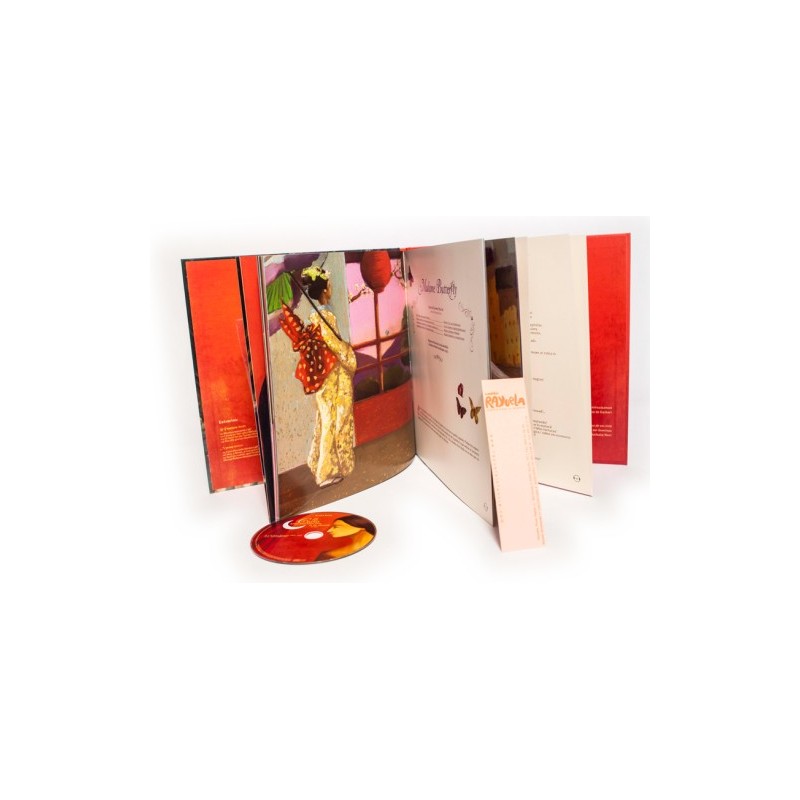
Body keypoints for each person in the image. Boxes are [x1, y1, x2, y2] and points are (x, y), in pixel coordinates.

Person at [301, 265, 357, 488]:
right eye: (330, 285)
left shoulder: (319, 315)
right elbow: (334, 345)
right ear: (324, 290)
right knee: (333, 419)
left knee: (327, 418)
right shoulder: (324, 316)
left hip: (326, 372)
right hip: (332, 375)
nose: (331, 289)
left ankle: (319, 463)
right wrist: (349, 353)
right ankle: (325, 473)